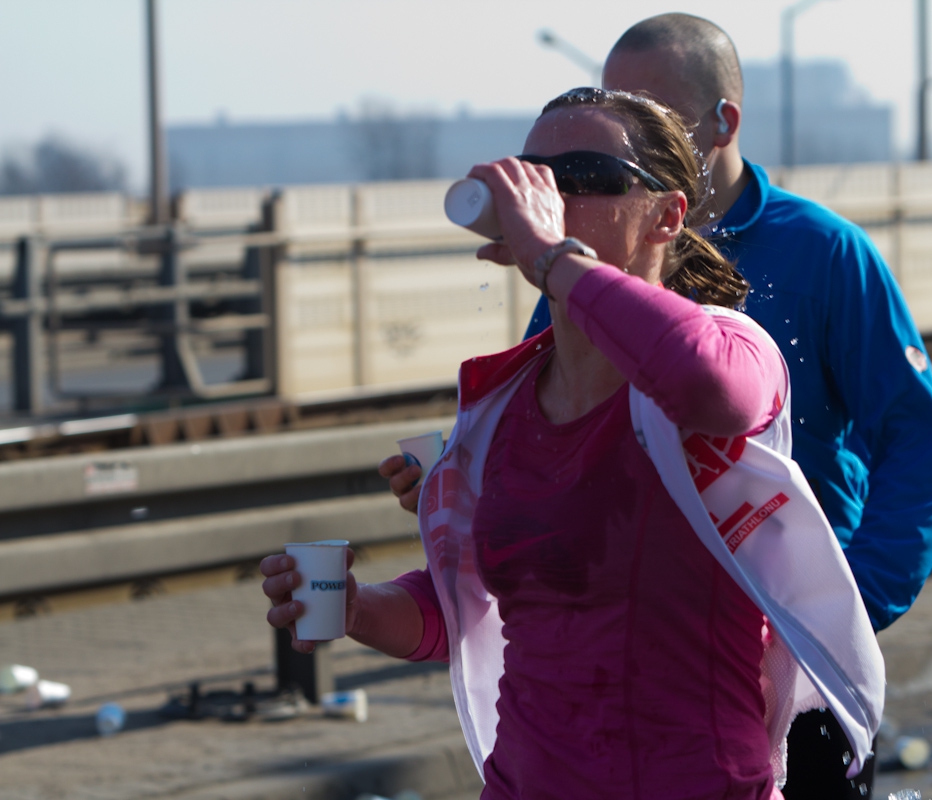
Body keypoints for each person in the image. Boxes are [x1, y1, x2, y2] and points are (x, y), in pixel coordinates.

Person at [266, 87, 884, 800]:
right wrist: (356, 610)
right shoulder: (499, 408)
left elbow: (708, 388)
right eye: (536, 176)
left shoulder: (730, 346)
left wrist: (552, 256)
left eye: (585, 177)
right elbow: (465, 610)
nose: (550, 198)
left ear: (666, 216)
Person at [496, 14, 932, 799]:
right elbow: (548, 431)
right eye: (613, 107)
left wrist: (842, 609)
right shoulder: (581, 271)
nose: (625, 131)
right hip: (638, 663)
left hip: (792, 661)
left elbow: (916, 445)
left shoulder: (824, 251)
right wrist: (457, 478)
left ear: (723, 122)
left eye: (653, 112)